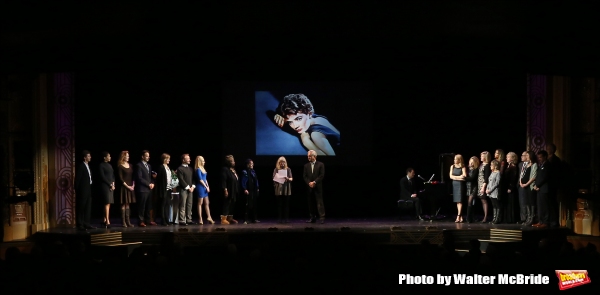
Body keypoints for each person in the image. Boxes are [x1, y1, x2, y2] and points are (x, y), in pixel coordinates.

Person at [273, 94, 340, 156]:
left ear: (309, 113)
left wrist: (306, 141)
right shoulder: (315, 117)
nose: (295, 126)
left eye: (298, 119)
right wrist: (279, 114)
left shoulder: (316, 135)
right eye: (290, 122)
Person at [533, 150, 555, 228]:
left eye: (541, 157)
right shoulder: (541, 165)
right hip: (539, 189)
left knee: (545, 206)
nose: (539, 159)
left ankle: (545, 222)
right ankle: (540, 221)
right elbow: (538, 177)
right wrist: (535, 185)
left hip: (544, 189)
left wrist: (538, 185)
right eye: (538, 157)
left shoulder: (548, 165)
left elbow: (545, 177)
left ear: (545, 156)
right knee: (540, 206)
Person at [74, 150, 95, 230]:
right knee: (81, 207)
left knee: (88, 207)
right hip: (82, 190)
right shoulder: (81, 166)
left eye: (90, 156)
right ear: (84, 157)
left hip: (88, 189)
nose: (90, 157)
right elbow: (78, 179)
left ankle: (87, 223)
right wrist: (77, 189)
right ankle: (80, 224)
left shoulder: (88, 166)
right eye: (88, 156)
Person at [304, 150, 326, 223]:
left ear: (314, 156)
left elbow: (321, 175)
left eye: (310, 156)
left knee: (319, 203)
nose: (308, 157)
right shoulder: (306, 166)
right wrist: (309, 183)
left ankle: (322, 218)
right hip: (309, 187)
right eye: (308, 156)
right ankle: (312, 217)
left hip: (318, 187)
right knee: (311, 203)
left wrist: (314, 182)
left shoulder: (321, 164)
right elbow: (305, 176)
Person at [135, 150, 156, 227]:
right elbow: (139, 178)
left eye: (148, 156)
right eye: (146, 156)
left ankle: (148, 220)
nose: (148, 157)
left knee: (149, 205)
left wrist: (152, 183)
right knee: (142, 206)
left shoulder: (149, 166)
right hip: (142, 189)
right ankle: (141, 221)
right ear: (142, 156)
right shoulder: (139, 165)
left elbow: (150, 176)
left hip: (149, 189)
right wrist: (148, 184)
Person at [117, 151, 135, 227]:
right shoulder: (120, 166)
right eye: (127, 156)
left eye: (128, 156)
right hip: (124, 187)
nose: (128, 157)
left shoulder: (130, 165)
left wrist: (133, 185)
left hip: (130, 187)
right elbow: (120, 179)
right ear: (123, 157)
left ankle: (128, 221)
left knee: (128, 204)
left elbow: (133, 176)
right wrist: (127, 186)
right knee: (124, 204)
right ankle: (123, 222)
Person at [519, 151, 538, 226]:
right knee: (527, 202)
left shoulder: (534, 165)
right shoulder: (527, 164)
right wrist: (521, 182)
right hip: (524, 186)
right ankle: (528, 218)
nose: (526, 156)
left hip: (530, 186)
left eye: (527, 155)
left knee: (531, 202)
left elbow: (533, 177)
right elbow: (522, 174)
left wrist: (526, 184)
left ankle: (532, 218)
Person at [155, 153, 173, 226]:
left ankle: (167, 219)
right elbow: (159, 179)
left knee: (167, 205)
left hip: (169, 189)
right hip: (163, 189)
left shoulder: (168, 167)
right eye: (168, 158)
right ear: (164, 159)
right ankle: (163, 220)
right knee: (163, 205)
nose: (169, 160)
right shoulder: (161, 167)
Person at [194, 156, 214, 225]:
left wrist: (208, 186)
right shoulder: (198, 169)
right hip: (200, 187)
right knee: (200, 203)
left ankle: (209, 217)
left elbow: (205, 179)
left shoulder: (203, 169)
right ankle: (200, 219)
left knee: (207, 203)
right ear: (199, 162)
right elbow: (200, 180)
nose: (204, 162)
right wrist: (205, 186)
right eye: (203, 161)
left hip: (205, 187)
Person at [273, 156, 293, 223]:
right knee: (279, 205)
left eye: (283, 162)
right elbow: (274, 178)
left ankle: (286, 219)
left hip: (286, 188)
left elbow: (291, 178)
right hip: (279, 189)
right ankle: (279, 219)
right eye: (281, 163)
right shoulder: (276, 169)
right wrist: (278, 178)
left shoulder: (288, 169)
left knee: (286, 205)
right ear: (278, 163)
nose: (282, 164)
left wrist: (287, 178)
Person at [177, 154, 195, 225]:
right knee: (183, 204)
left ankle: (189, 219)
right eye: (188, 158)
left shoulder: (190, 169)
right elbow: (181, 180)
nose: (189, 160)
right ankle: (182, 220)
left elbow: (193, 179)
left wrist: (193, 187)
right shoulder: (180, 169)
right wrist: (188, 187)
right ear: (183, 160)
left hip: (191, 189)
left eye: (189, 158)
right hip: (183, 189)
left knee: (189, 204)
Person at [98, 151, 115, 228]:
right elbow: (102, 177)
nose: (110, 157)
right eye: (108, 156)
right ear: (105, 157)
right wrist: (110, 184)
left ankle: (104, 219)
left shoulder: (110, 165)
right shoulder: (101, 165)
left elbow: (112, 175)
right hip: (105, 186)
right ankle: (107, 221)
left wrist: (113, 184)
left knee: (109, 203)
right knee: (106, 203)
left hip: (111, 186)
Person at [221, 155, 239, 224]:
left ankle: (230, 218)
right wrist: (225, 189)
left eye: (233, 161)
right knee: (227, 204)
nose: (234, 162)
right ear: (228, 162)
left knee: (232, 204)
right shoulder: (225, 169)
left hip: (234, 190)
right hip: (229, 189)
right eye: (232, 161)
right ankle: (223, 219)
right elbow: (224, 180)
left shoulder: (233, 170)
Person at [241, 159, 260, 224]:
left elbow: (256, 180)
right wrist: (244, 189)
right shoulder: (244, 172)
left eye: (252, 163)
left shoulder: (253, 172)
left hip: (254, 190)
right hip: (248, 190)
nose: (252, 165)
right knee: (247, 205)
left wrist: (257, 187)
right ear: (248, 164)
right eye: (251, 163)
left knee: (254, 205)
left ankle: (254, 219)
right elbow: (243, 181)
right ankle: (245, 219)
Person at [449, 154, 467, 222]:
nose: (454, 160)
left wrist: (455, 178)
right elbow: (450, 176)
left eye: (456, 159)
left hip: (460, 185)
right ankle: (461, 216)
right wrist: (459, 177)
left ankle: (458, 216)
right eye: (454, 159)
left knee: (460, 201)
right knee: (457, 201)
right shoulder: (452, 166)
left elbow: (464, 176)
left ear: (459, 160)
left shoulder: (463, 167)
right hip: (455, 184)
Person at [503, 152, 518, 223]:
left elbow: (513, 178)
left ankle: (511, 219)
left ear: (512, 158)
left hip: (510, 187)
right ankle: (507, 218)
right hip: (506, 186)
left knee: (510, 203)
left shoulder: (514, 167)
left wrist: (510, 187)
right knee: (507, 203)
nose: (506, 158)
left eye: (508, 157)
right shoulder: (508, 166)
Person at [464, 156, 480, 223]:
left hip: (473, 187)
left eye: (472, 162)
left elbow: (472, 178)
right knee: (470, 203)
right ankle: (471, 217)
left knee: (470, 202)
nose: (471, 163)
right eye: (470, 162)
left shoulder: (476, 169)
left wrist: (464, 178)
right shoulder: (468, 169)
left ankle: (468, 218)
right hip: (468, 186)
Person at [477, 151, 492, 222]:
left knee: (484, 200)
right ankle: (484, 216)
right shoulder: (481, 165)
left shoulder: (487, 166)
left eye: (482, 156)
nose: (481, 157)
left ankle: (485, 217)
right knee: (482, 200)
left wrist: (483, 187)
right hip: (479, 184)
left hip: (483, 185)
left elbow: (486, 178)